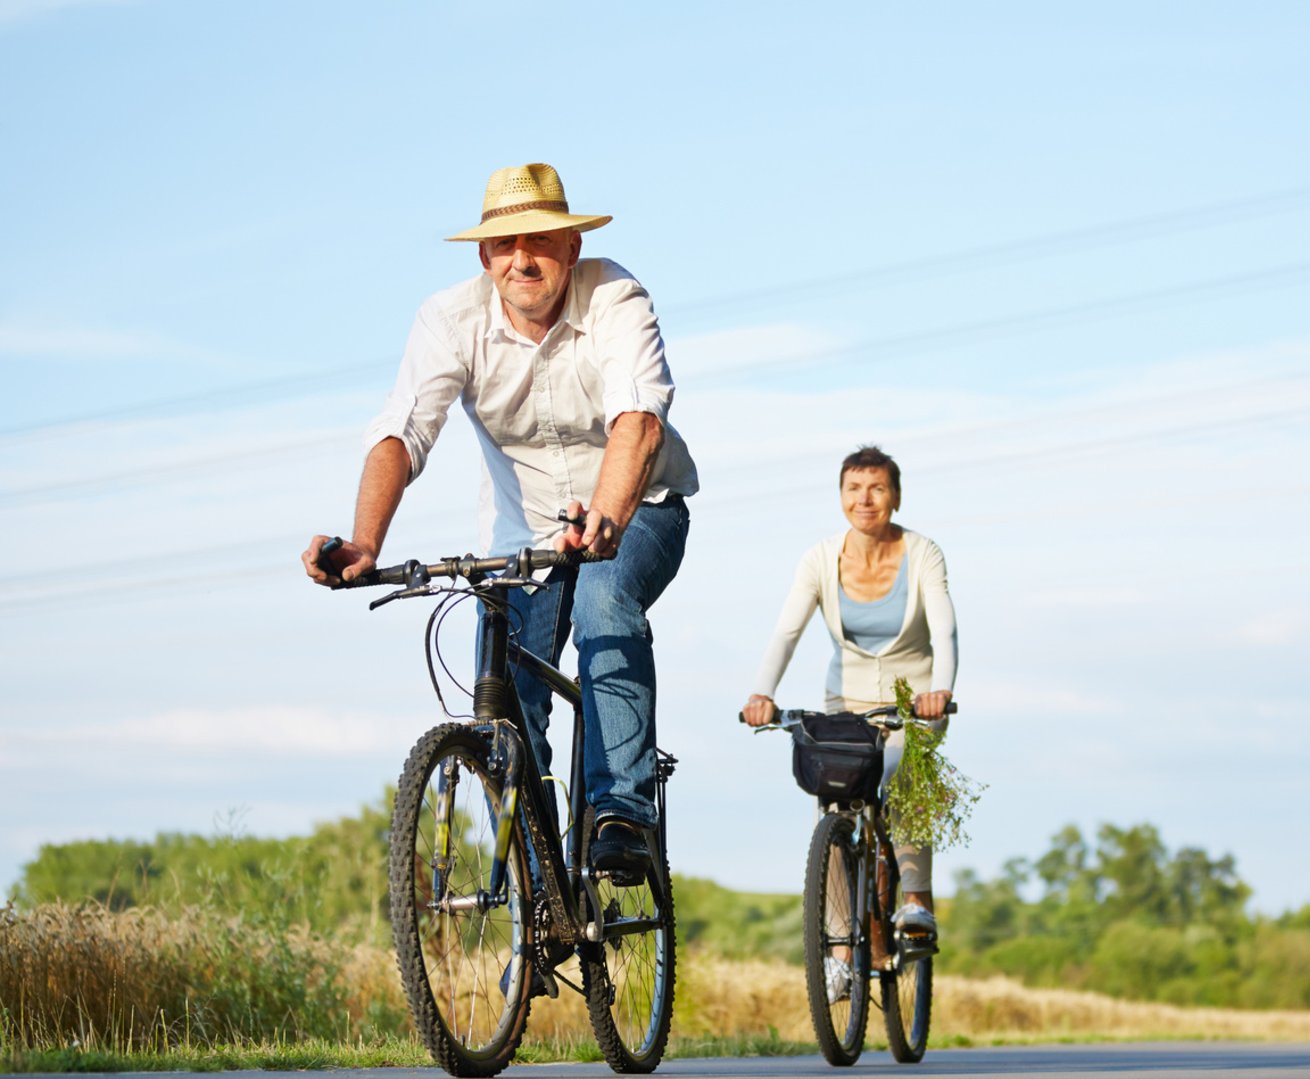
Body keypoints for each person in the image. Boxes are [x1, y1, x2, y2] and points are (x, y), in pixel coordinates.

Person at [303, 163, 698, 882]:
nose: (523, 259)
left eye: (541, 242)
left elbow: (637, 421)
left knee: (603, 599)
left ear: (571, 249)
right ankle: (534, 891)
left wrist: (606, 517)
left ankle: (620, 815)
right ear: (484, 257)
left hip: (637, 512)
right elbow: (402, 431)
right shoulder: (450, 319)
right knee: (505, 706)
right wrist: (365, 543)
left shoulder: (615, 295)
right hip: (525, 541)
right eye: (505, 244)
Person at [742, 445, 958, 943]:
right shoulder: (819, 559)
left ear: (896, 497)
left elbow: (945, 631)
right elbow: (786, 633)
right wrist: (761, 692)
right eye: (854, 489)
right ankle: (840, 950)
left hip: (915, 702)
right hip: (848, 702)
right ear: (841, 496)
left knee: (905, 770)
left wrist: (940, 691)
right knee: (836, 806)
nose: (865, 499)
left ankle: (915, 899)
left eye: (877, 488)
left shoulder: (923, 554)